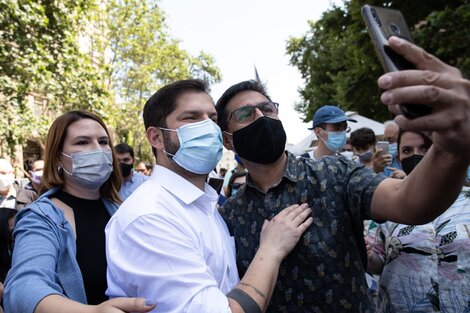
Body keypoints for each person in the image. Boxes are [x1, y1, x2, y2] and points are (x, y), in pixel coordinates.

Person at [215, 36, 470, 312]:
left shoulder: (334, 173)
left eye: (267, 109)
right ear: (228, 140)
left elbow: (409, 201)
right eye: (245, 114)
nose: (261, 117)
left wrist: (451, 143)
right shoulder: (229, 216)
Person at [106, 79, 313, 313]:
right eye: (191, 118)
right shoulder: (149, 217)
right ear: (156, 137)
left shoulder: (205, 205)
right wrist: (271, 251)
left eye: (212, 119)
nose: (208, 127)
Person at [3, 111, 155, 313]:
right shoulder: (41, 217)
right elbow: (23, 288)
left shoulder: (121, 210)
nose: (97, 149)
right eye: (82, 142)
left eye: (103, 141)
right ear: (58, 158)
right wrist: (93, 312)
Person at [366, 130, 469, 312]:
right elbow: (377, 262)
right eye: (407, 150)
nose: (416, 155)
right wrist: (367, 253)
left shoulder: (467, 199)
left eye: (425, 148)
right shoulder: (386, 205)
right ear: (398, 157)